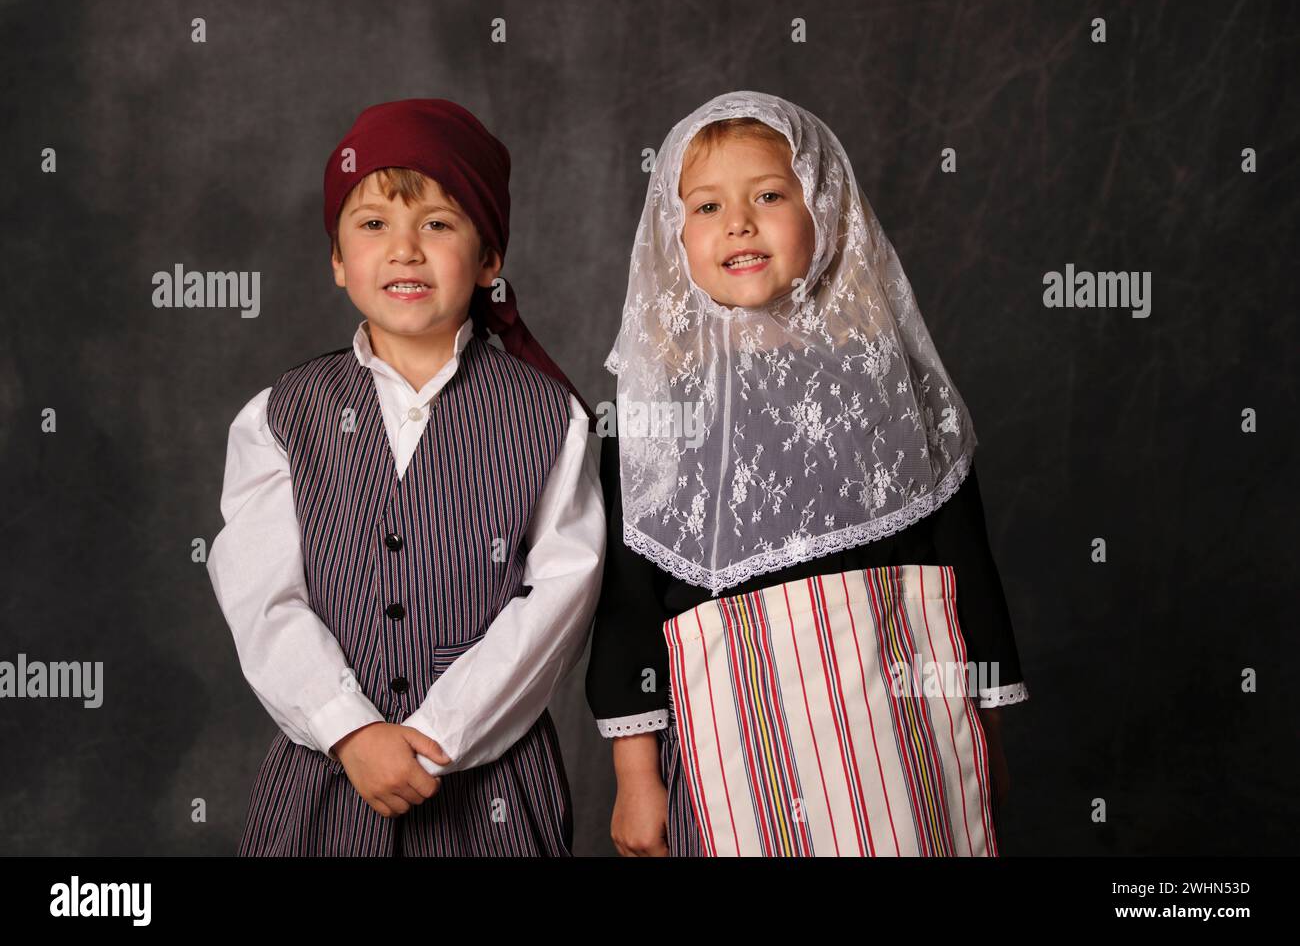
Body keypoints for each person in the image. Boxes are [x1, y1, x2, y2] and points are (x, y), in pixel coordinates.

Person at [585, 91, 1029, 857]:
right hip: (732, 757)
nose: (739, 223)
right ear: (674, 239)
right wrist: (635, 777)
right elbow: (627, 605)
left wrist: (985, 731)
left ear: (825, 212)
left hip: (904, 748)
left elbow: (967, 572)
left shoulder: (893, 393)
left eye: (769, 195)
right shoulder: (650, 419)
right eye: (706, 206)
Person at [207, 98, 604, 856]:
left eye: (438, 224)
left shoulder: (550, 416)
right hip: (326, 781)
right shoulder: (280, 416)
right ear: (336, 260)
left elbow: (561, 595)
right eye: (373, 225)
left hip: (489, 793)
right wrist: (349, 728)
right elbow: (262, 598)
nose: (405, 250)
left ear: (489, 259)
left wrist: (435, 734)